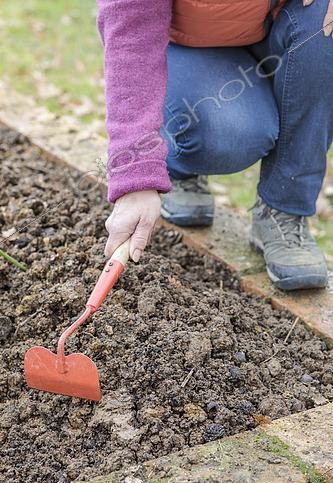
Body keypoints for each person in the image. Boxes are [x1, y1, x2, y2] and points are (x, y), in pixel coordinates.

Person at [97, 0, 333, 291]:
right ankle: (176, 166)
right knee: (231, 135)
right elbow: (131, 28)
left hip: (278, 28)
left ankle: (283, 209)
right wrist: (136, 174)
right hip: (182, 43)